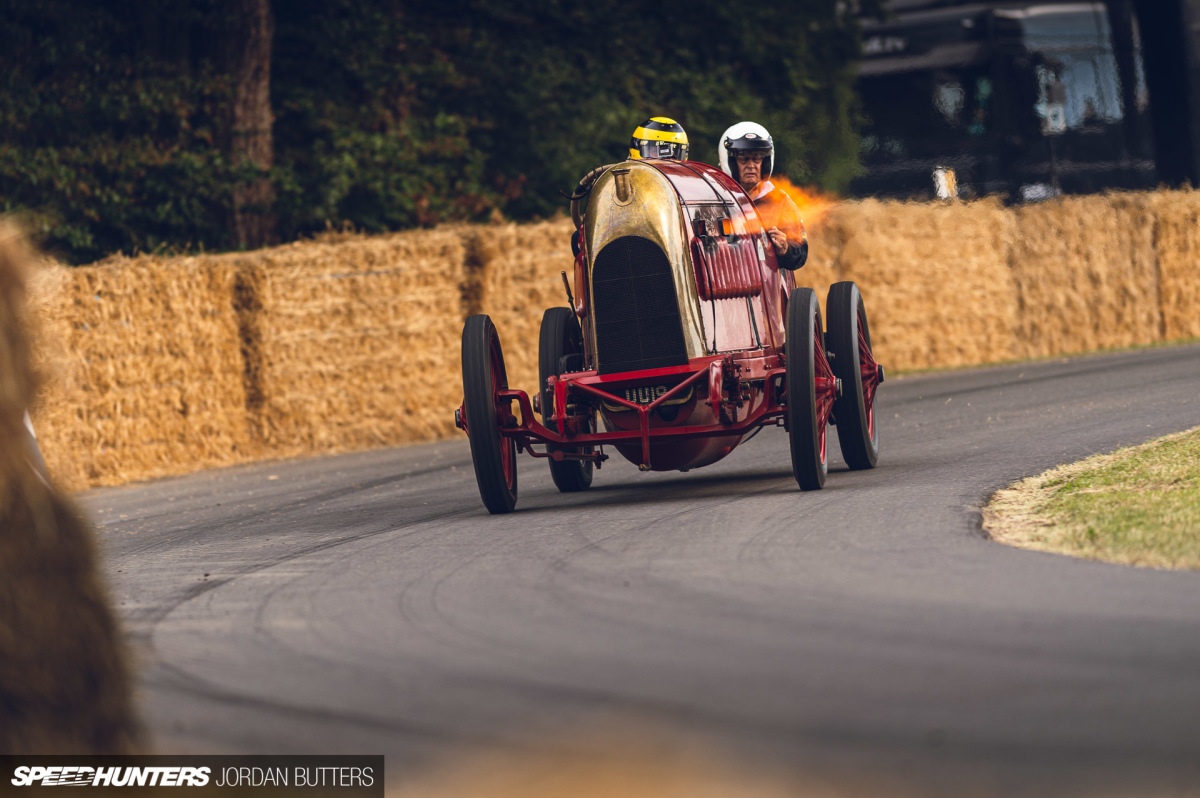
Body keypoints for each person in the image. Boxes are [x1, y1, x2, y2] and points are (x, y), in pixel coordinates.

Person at [570, 117, 690, 229]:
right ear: (638, 148)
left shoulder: (688, 187)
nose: (666, 159)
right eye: (656, 151)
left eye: (674, 153)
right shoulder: (617, 183)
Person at [718, 121, 808, 270]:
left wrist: (785, 249)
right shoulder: (715, 197)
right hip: (725, 281)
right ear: (731, 162)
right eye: (743, 159)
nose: (751, 165)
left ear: (765, 162)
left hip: (767, 285)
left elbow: (801, 252)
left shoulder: (780, 201)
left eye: (757, 159)